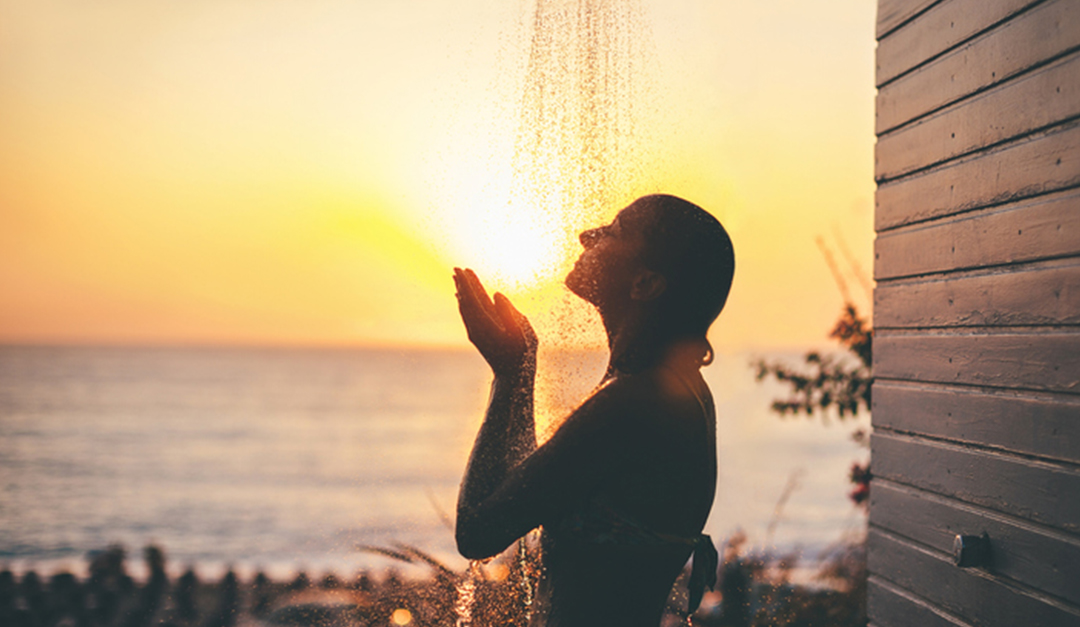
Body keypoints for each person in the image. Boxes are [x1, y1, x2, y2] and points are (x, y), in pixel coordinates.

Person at [454, 194, 735, 626]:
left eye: (615, 232)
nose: (588, 235)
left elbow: (478, 531)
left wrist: (510, 376)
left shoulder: (633, 404)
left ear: (644, 284)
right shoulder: (679, 391)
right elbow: (532, 488)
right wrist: (521, 366)